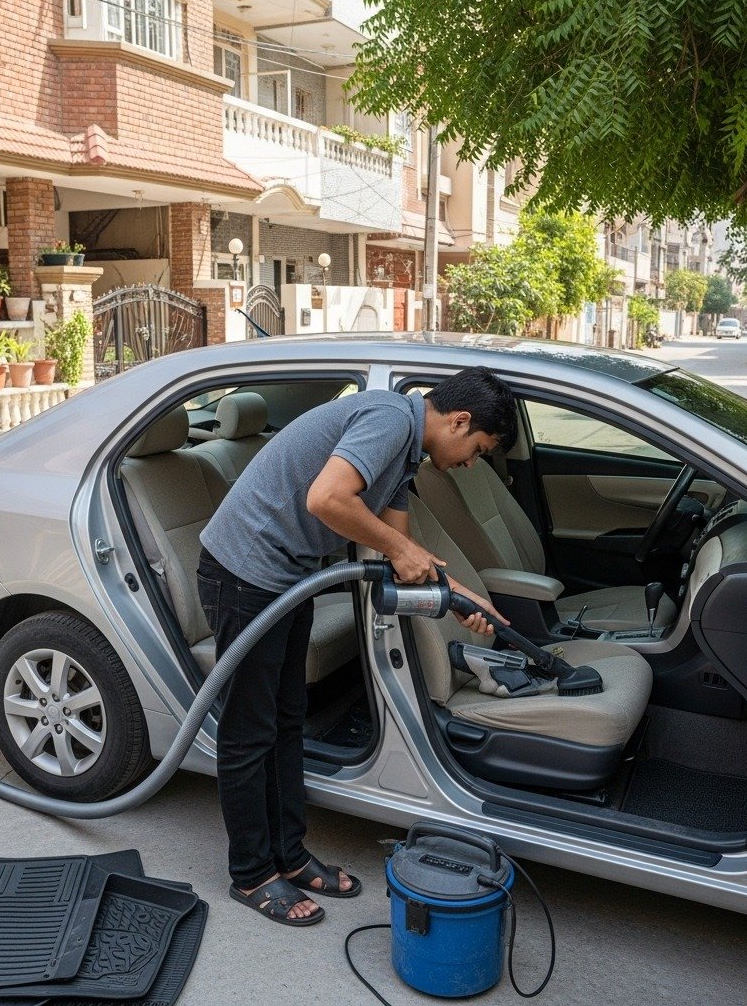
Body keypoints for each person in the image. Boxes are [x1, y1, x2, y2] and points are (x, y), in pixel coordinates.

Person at [197, 367, 518, 927]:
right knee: (251, 730)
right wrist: (399, 547)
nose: (470, 464)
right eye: (477, 450)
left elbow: (400, 553)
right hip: (243, 573)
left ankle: (290, 857)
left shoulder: (407, 451)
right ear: (459, 420)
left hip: (286, 577)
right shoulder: (389, 419)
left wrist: (465, 600)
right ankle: (251, 874)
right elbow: (327, 499)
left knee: (288, 719)